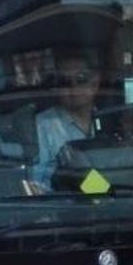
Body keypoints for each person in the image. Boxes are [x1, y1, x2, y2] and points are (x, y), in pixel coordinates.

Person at [32, 52, 100, 190]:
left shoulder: (112, 119)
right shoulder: (43, 124)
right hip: (66, 205)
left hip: (116, 203)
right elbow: (37, 183)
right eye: (65, 82)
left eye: (81, 79)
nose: (73, 87)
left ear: (95, 84)